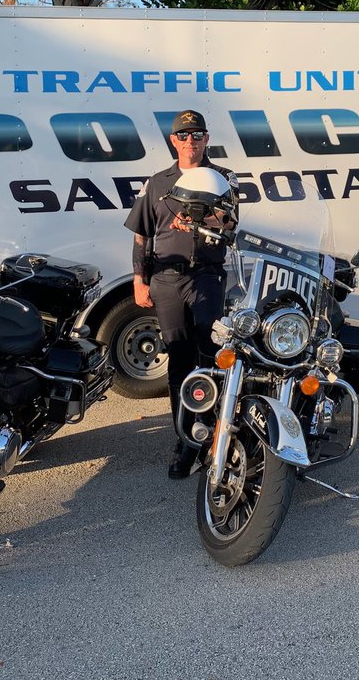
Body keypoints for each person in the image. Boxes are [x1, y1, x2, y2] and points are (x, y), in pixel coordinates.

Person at [124, 110, 237, 479]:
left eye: (198, 134)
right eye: (183, 135)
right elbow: (142, 235)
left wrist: (202, 220)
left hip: (206, 275)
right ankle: (185, 439)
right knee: (178, 357)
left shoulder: (224, 178)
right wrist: (140, 280)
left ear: (207, 139)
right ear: (174, 141)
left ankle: (213, 435)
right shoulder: (157, 183)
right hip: (166, 278)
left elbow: (231, 224)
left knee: (209, 352)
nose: (191, 141)